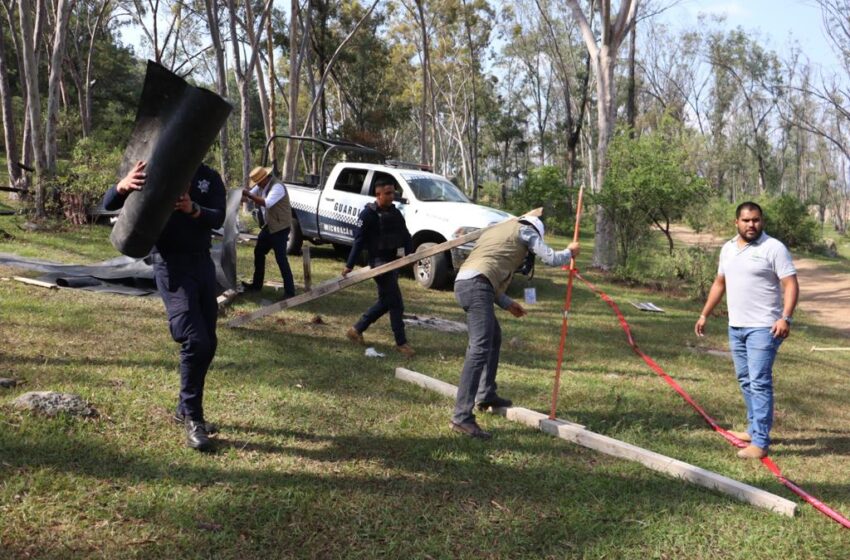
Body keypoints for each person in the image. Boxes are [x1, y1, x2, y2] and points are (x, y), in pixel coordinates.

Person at [103, 160, 226, 452]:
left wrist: (192, 208)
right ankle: (194, 419)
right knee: (195, 340)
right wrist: (121, 186)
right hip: (170, 264)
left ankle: (184, 408)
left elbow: (219, 217)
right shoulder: (159, 167)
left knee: (208, 342)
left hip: (202, 263)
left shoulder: (208, 177)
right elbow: (108, 203)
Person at [451, 215, 579, 439]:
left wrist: (508, 304)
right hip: (476, 286)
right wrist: (570, 252)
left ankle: (486, 394)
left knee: (493, 337)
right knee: (479, 348)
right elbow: (550, 258)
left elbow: (484, 273)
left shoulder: (495, 231)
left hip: (465, 283)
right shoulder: (524, 231)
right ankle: (462, 417)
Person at [695, 201, 798, 459]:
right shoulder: (728, 249)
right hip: (736, 326)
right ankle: (753, 429)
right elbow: (720, 283)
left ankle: (761, 442)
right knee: (745, 378)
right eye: (746, 220)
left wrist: (785, 317)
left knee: (760, 381)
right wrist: (704, 313)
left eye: (756, 220)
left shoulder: (773, 248)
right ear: (736, 222)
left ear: (761, 221)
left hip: (765, 327)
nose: (751, 224)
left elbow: (791, 284)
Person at [342, 178, 415, 358]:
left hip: (393, 262)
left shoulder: (395, 213)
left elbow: (406, 235)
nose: (392, 197)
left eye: (393, 193)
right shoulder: (368, 215)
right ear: (378, 194)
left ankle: (356, 329)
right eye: (388, 193)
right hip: (379, 263)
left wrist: (410, 255)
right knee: (396, 303)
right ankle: (401, 343)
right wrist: (349, 265)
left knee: (386, 302)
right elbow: (358, 241)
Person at [241, 166, 296, 298]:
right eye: (257, 183)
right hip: (269, 226)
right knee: (258, 252)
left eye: (259, 182)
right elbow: (248, 198)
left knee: (281, 259)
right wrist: (239, 196)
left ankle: (290, 292)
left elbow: (267, 203)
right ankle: (256, 285)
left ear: (265, 178)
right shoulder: (261, 186)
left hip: (280, 228)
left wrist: (248, 194)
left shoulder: (277, 187)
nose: (258, 185)